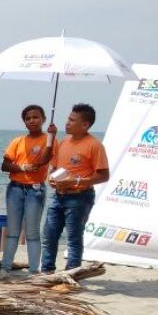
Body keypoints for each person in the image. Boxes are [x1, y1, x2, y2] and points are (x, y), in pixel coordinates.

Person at [41, 104, 109, 273]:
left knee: (73, 238)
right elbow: (55, 168)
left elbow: (103, 175)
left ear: (85, 124)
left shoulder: (94, 145)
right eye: (68, 119)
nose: (67, 123)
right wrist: (53, 178)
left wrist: (75, 181)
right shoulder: (63, 142)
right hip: (58, 195)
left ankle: (71, 273)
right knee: (49, 235)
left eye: (72, 120)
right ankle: (47, 271)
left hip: (80, 197)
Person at [0, 105, 54, 274]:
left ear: (43, 119)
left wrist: (51, 138)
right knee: (13, 231)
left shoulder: (48, 140)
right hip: (15, 188)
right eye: (28, 118)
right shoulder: (17, 141)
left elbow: (45, 159)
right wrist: (22, 167)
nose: (32, 121)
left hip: (35, 190)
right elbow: (5, 165)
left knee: (32, 232)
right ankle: (5, 267)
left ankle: (33, 270)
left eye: (36, 117)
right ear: (24, 122)